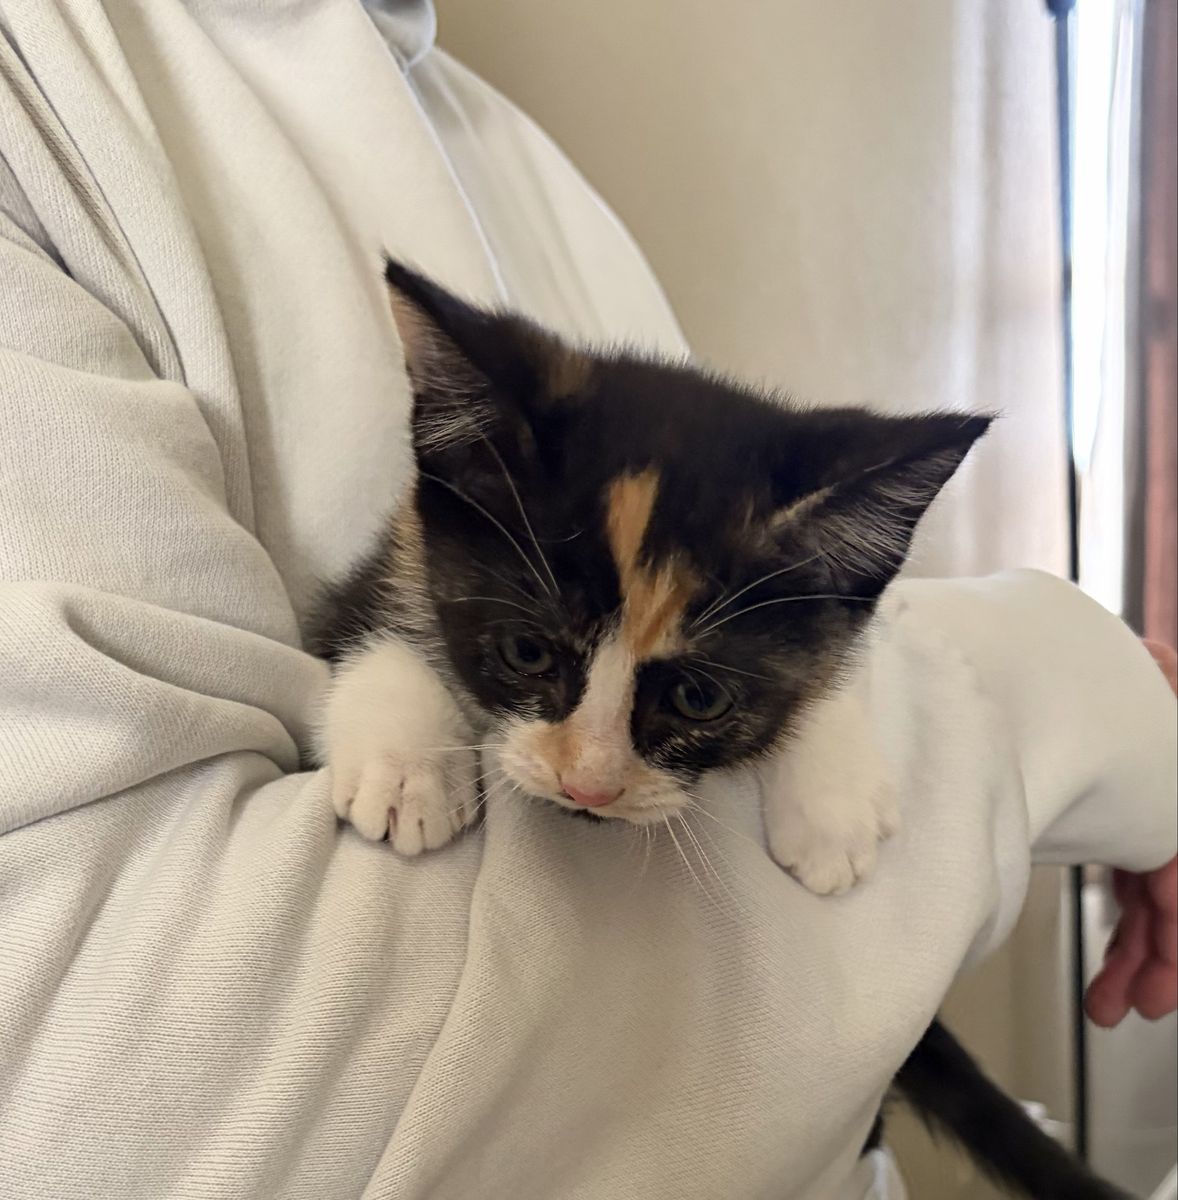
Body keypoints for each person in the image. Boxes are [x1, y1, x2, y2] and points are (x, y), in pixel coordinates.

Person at [0, 3, 1173, 1198]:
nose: (587, 775)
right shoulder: (37, 93)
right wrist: (1077, 707)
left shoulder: (504, 142)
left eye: (681, 698)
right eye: (524, 662)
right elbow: (134, 1096)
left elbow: (781, 641)